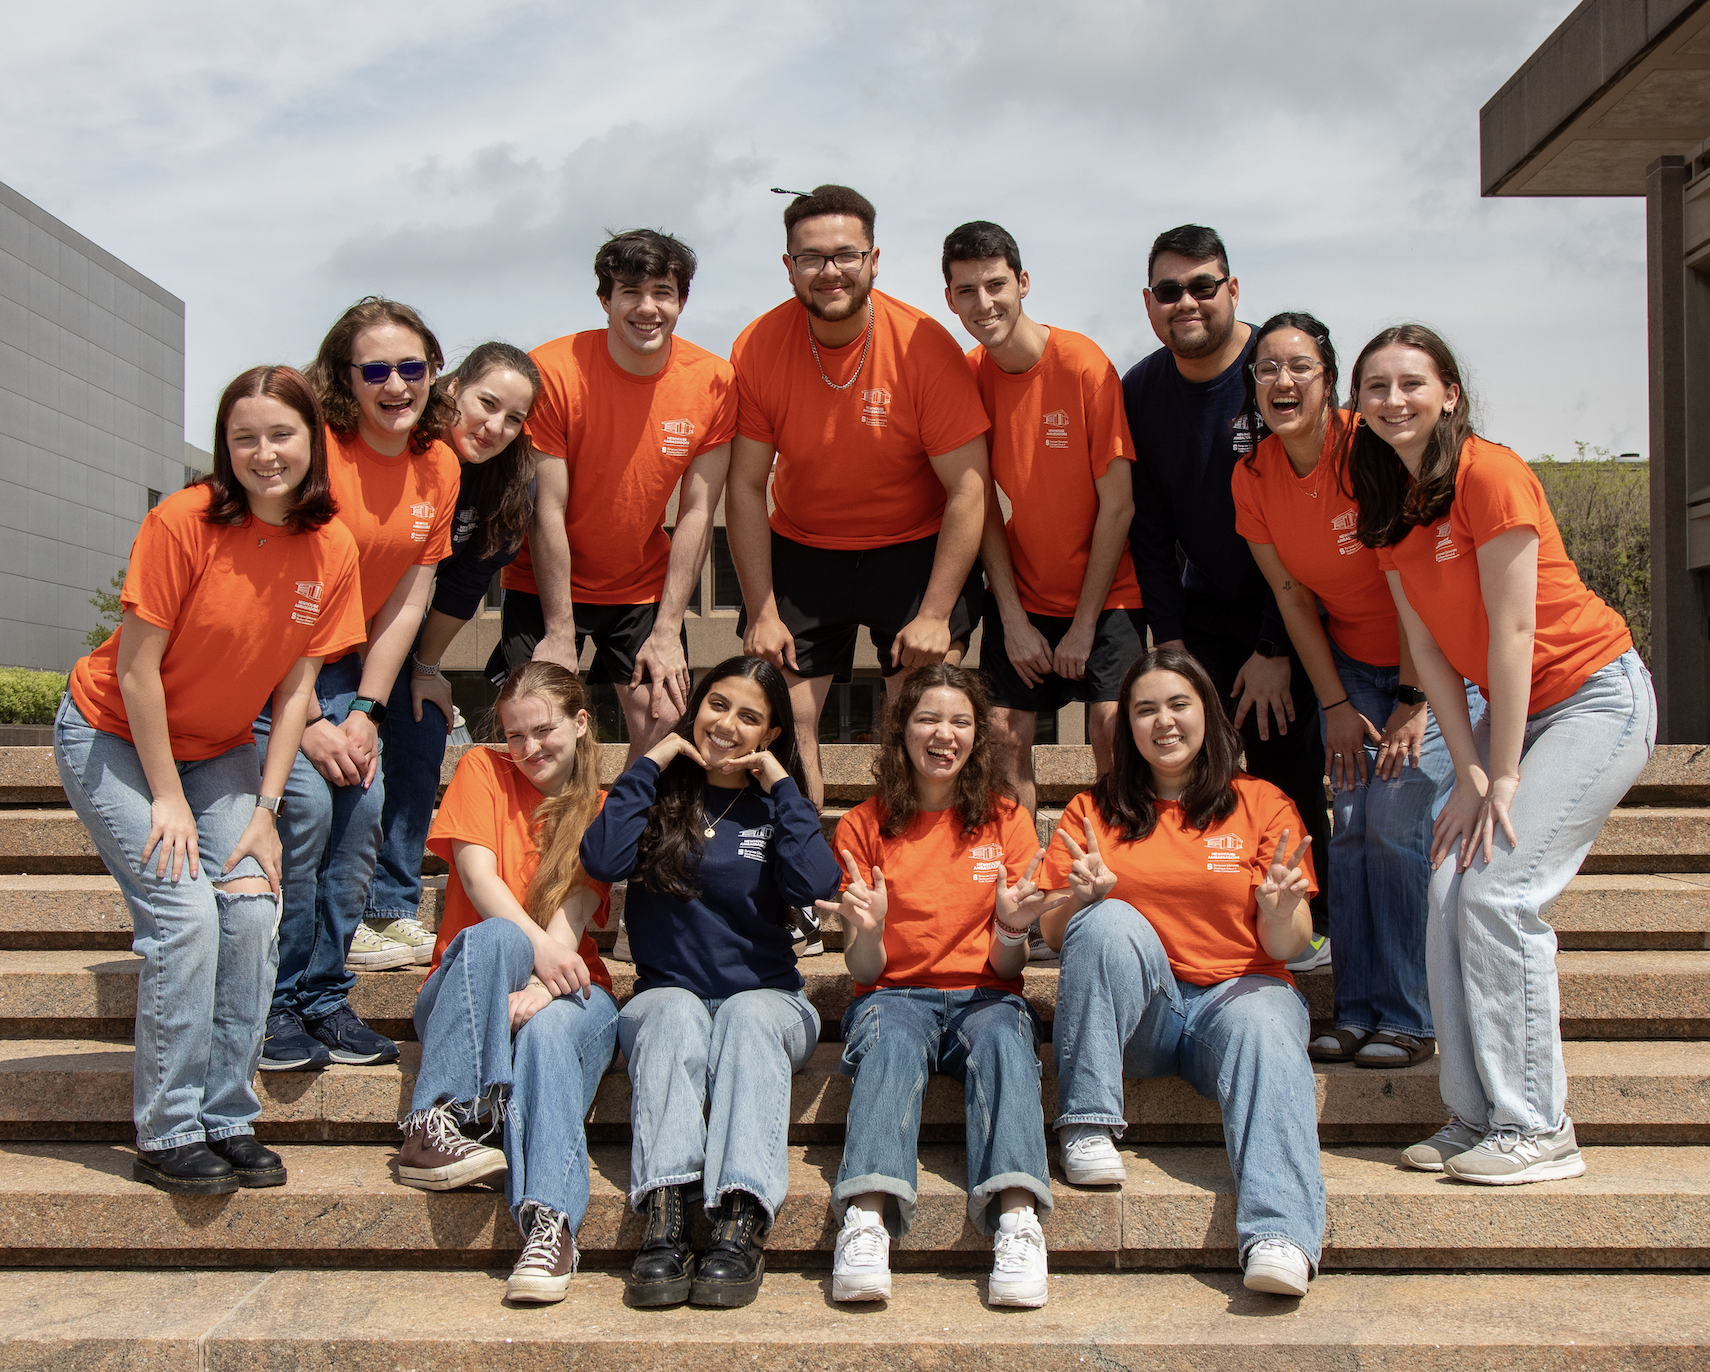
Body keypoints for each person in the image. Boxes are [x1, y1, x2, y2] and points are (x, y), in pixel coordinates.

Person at [1347, 325, 1654, 1184]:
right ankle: (1476, 1113)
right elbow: (1434, 654)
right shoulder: (1390, 509)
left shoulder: (1489, 471)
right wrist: (1472, 770)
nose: (1393, 399)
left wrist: (1506, 775)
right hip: (1509, 719)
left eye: (1411, 382)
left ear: (1450, 392)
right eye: (1375, 387)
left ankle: (1539, 1126)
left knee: (1501, 889)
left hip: (1592, 697)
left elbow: (1515, 634)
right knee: (1448, 886)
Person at [55, 365, 364, 1194]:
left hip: (224, 748)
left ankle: (227, 1114)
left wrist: (264, 810)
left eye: (281, 435)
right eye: (244, 437)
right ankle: (167, 1128)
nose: (264, 453)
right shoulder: (182, 521)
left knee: (253, 908)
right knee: (186, 913)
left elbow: (298, 689)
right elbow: (137, 671)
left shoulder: (331, 546)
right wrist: (165, 796)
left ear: (314, 443)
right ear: (226, 448)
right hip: (116, 734)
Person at [1231, 313, 1484, 1068]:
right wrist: (1336, 706)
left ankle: (1408, 1014)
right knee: (1349, 826)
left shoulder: (1369, 451)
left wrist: (1414, 696)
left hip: (1432, 661)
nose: (1282, 382)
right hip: (1353, 675)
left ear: (1329, 378)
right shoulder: (1253, 476)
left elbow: (1413, 582)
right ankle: (1357, 1009)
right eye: (1267, 369)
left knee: (1398, 823)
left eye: (1299, 367)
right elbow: (1292, 599)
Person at [1040, 645, 1324, 1298]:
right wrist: (1083, 898)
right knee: (1107, 921)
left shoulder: (1260, 804)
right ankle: (1086, 1127)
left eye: (1178, 704)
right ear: (1126, 727)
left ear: (1208, 715)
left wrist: (1280, 910)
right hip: (1143, 1017)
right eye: (1144, 709)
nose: (1163, 722)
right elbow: (1055, 933)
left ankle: (1279, 1233)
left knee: (1265, 1022)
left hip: (1237, 997)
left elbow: (1293, 943)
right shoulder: (1093, 811)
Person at [580, 656, 840, 1309]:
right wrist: (652, 757)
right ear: (696, 705)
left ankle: (739, 1222)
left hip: (769, 1002)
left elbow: (815, 884)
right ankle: (666, 1221)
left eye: (750, 717)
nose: (727, 725)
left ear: (771, 733)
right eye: (717, 705)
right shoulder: (657, 793)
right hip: (672, 997)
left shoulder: (778, 806)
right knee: (671, 1014)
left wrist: (783, 784)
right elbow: (601, 858)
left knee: (749, 1018)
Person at [728, 185, 992, 803]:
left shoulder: (924, 345)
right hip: (804, 546)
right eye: (811, 257)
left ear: (874, 259)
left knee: (913, 721)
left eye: (846, 255)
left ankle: (897, 868)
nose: (830, 271)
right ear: (789, 266)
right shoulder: (759, 345)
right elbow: (743, 485)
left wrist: (934, 613)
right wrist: (761, 608)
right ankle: (803, 877)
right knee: (783, 725)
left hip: (912, 545)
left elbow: (969, 487)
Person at [258, 297, 461, 1072]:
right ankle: (274, 1004)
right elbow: (274, 588)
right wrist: (305, 716)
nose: (396, 384)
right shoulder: (317, 451)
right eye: (375, 369)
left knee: (365, 798)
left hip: (348, 662)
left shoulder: (438, 464)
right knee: (309, 808)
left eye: (412, 367)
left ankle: (323, 999)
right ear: (346, 378)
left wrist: (369, 712)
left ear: (433, 370)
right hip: (274, 658)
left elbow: (410, 598)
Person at [1123, 226, 1331, 968]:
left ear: (1232, 290)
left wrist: (1275, 646)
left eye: (1203, 285)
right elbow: (1147, 530)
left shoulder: (1270, 369)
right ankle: (1197, 919)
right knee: (1188, 762)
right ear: (1150, 304)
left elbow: (1305, 515)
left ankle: (1313, 926)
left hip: (1295, 601)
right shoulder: (1142, 389)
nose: (1188, 302)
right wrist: (1170, 644)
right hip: (1203, 602)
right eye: (1170, 290)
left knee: (1284, 765)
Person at [820, 663, 1053, 1309]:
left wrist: (1011, 926)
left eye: (959, 721)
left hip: (987, 996)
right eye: (928, 718)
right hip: (893, 997)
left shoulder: (1007, 820)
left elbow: (1009, 971)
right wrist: (867, 929)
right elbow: (866, 974)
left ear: (979, 736)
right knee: (891, 1041)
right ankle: (866, 1220)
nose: (943, 733)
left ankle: (1017, 1220)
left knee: (1009, 1037)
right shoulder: (863, 826)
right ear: (902, 731)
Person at [396, 661, 617, 1304]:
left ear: (579, 724)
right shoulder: (481, 771)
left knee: (549, 1036)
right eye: (514, 735)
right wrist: (529, 961)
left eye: (542, 730)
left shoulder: (601, 809)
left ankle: (548, 1227)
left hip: (571, 987)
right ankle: (438, 1120)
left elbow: (575, 912)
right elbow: (477, 880)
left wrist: (544, 989)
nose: (527, 749)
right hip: (468, 987)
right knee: (495, 936)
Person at [495, 229, 735, 767]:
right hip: (545, 583)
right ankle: (547, 845)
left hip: (639, 588)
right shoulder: (554, 372)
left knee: (666, 718)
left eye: (662, 292)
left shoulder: (714, 381)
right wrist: (558, 632)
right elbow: (546, 509)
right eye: (630, 291)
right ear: (605, 300)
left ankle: (615, 840)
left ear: (682, 301)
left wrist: (670, 630)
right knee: (536, 726)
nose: (647, 307)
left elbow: (698, 512)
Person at [941, 220, 1142, 815]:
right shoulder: (968, 374)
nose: (985, 303)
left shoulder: (1083, 364)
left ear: (1023, 281)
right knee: (1002, 734)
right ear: (949, 300)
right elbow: (980, 507)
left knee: (1112, 730)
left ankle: (1116, 876)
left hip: (1107, 594)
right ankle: (1020, 887)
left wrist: (1082, 626)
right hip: (1023, 594)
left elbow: (1120, 504)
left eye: (996, 285)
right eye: (967, 291)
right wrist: (1012, 616)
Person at [364, 342, 543, 962]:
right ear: (452, 389)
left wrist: (424, 669)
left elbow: (464, 586)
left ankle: (389, 908)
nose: (494, 426)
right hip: (339, 621)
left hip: (407, 627)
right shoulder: (401, 444)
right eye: (486, 403)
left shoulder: (507, 483)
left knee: (422, 729)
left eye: (514, 418)